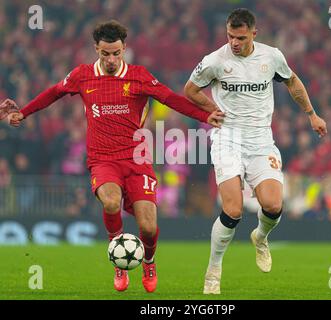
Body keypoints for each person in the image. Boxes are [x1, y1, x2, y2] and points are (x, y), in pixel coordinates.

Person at [3, 20, 224, 294]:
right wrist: (23, 112)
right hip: (103, 160)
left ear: (124, 49)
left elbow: (170, 98)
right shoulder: (82, 75)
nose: (111, 59)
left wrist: (205, 115)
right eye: (105, 53)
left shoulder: (139, 76)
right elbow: (54, 93)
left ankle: (149, 261)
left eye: (116, 53)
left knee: (149, 226)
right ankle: (119, 260)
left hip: (137, 160)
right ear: (96, 49)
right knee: (110, 202)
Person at [184, 8, 327, 294]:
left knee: (273, 206)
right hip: (227, 138)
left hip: (261, 139)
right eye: (229, 36)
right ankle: (214, 270)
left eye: (240, 37)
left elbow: (292, 82)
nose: (234, 42)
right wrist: (211, 109)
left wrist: (312, 114)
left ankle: (260, 237)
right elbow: (190, 89)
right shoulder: (215, 61)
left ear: (253, 33)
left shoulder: (271, 56)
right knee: (233, 209)